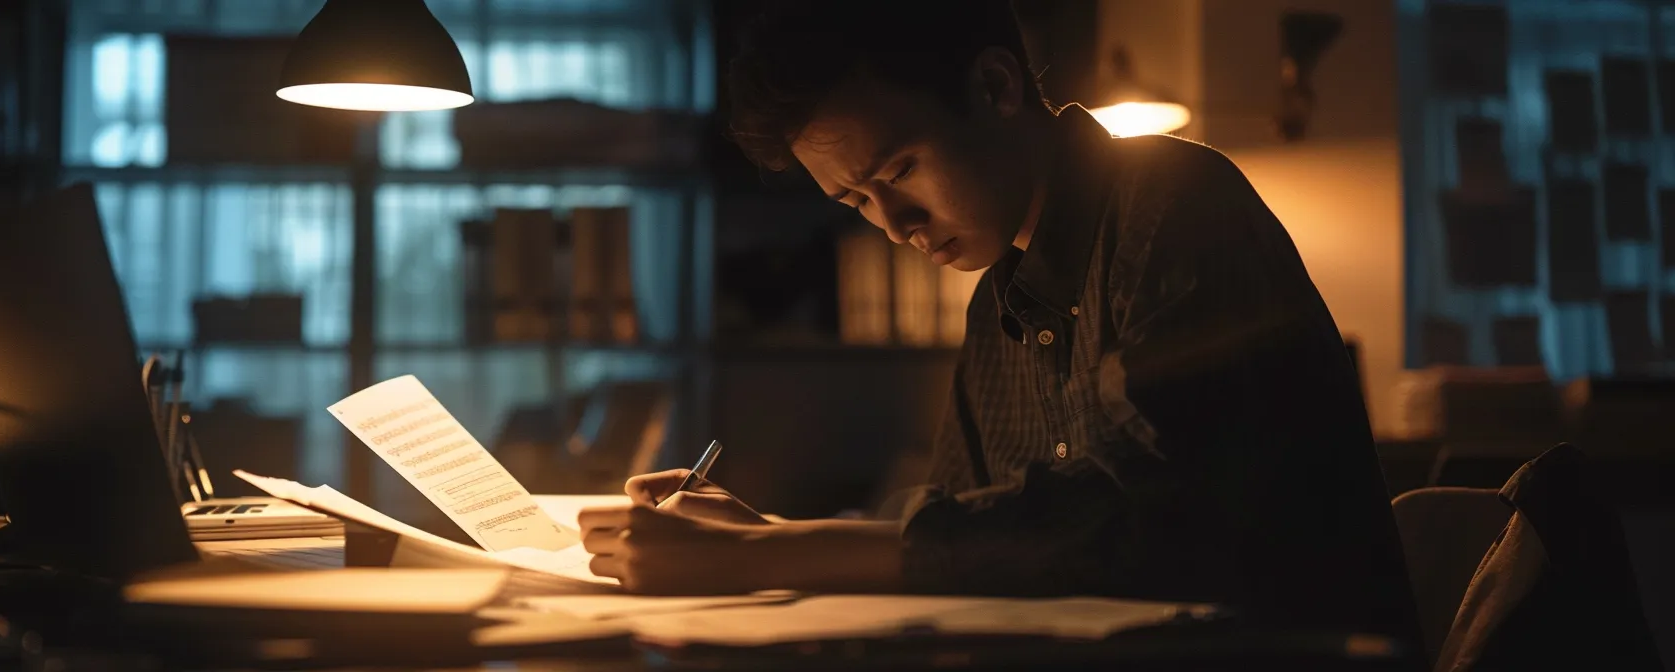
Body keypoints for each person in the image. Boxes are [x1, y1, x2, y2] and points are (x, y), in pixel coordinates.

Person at [577, 0, 1420, 643]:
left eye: (899, 170)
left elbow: (1150, 520)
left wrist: (765, 556)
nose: (895, 225)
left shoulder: (1174, 203)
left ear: (995, 86)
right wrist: (764, 533)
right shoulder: (999, 304)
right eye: (855, 201)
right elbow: (974, 526)